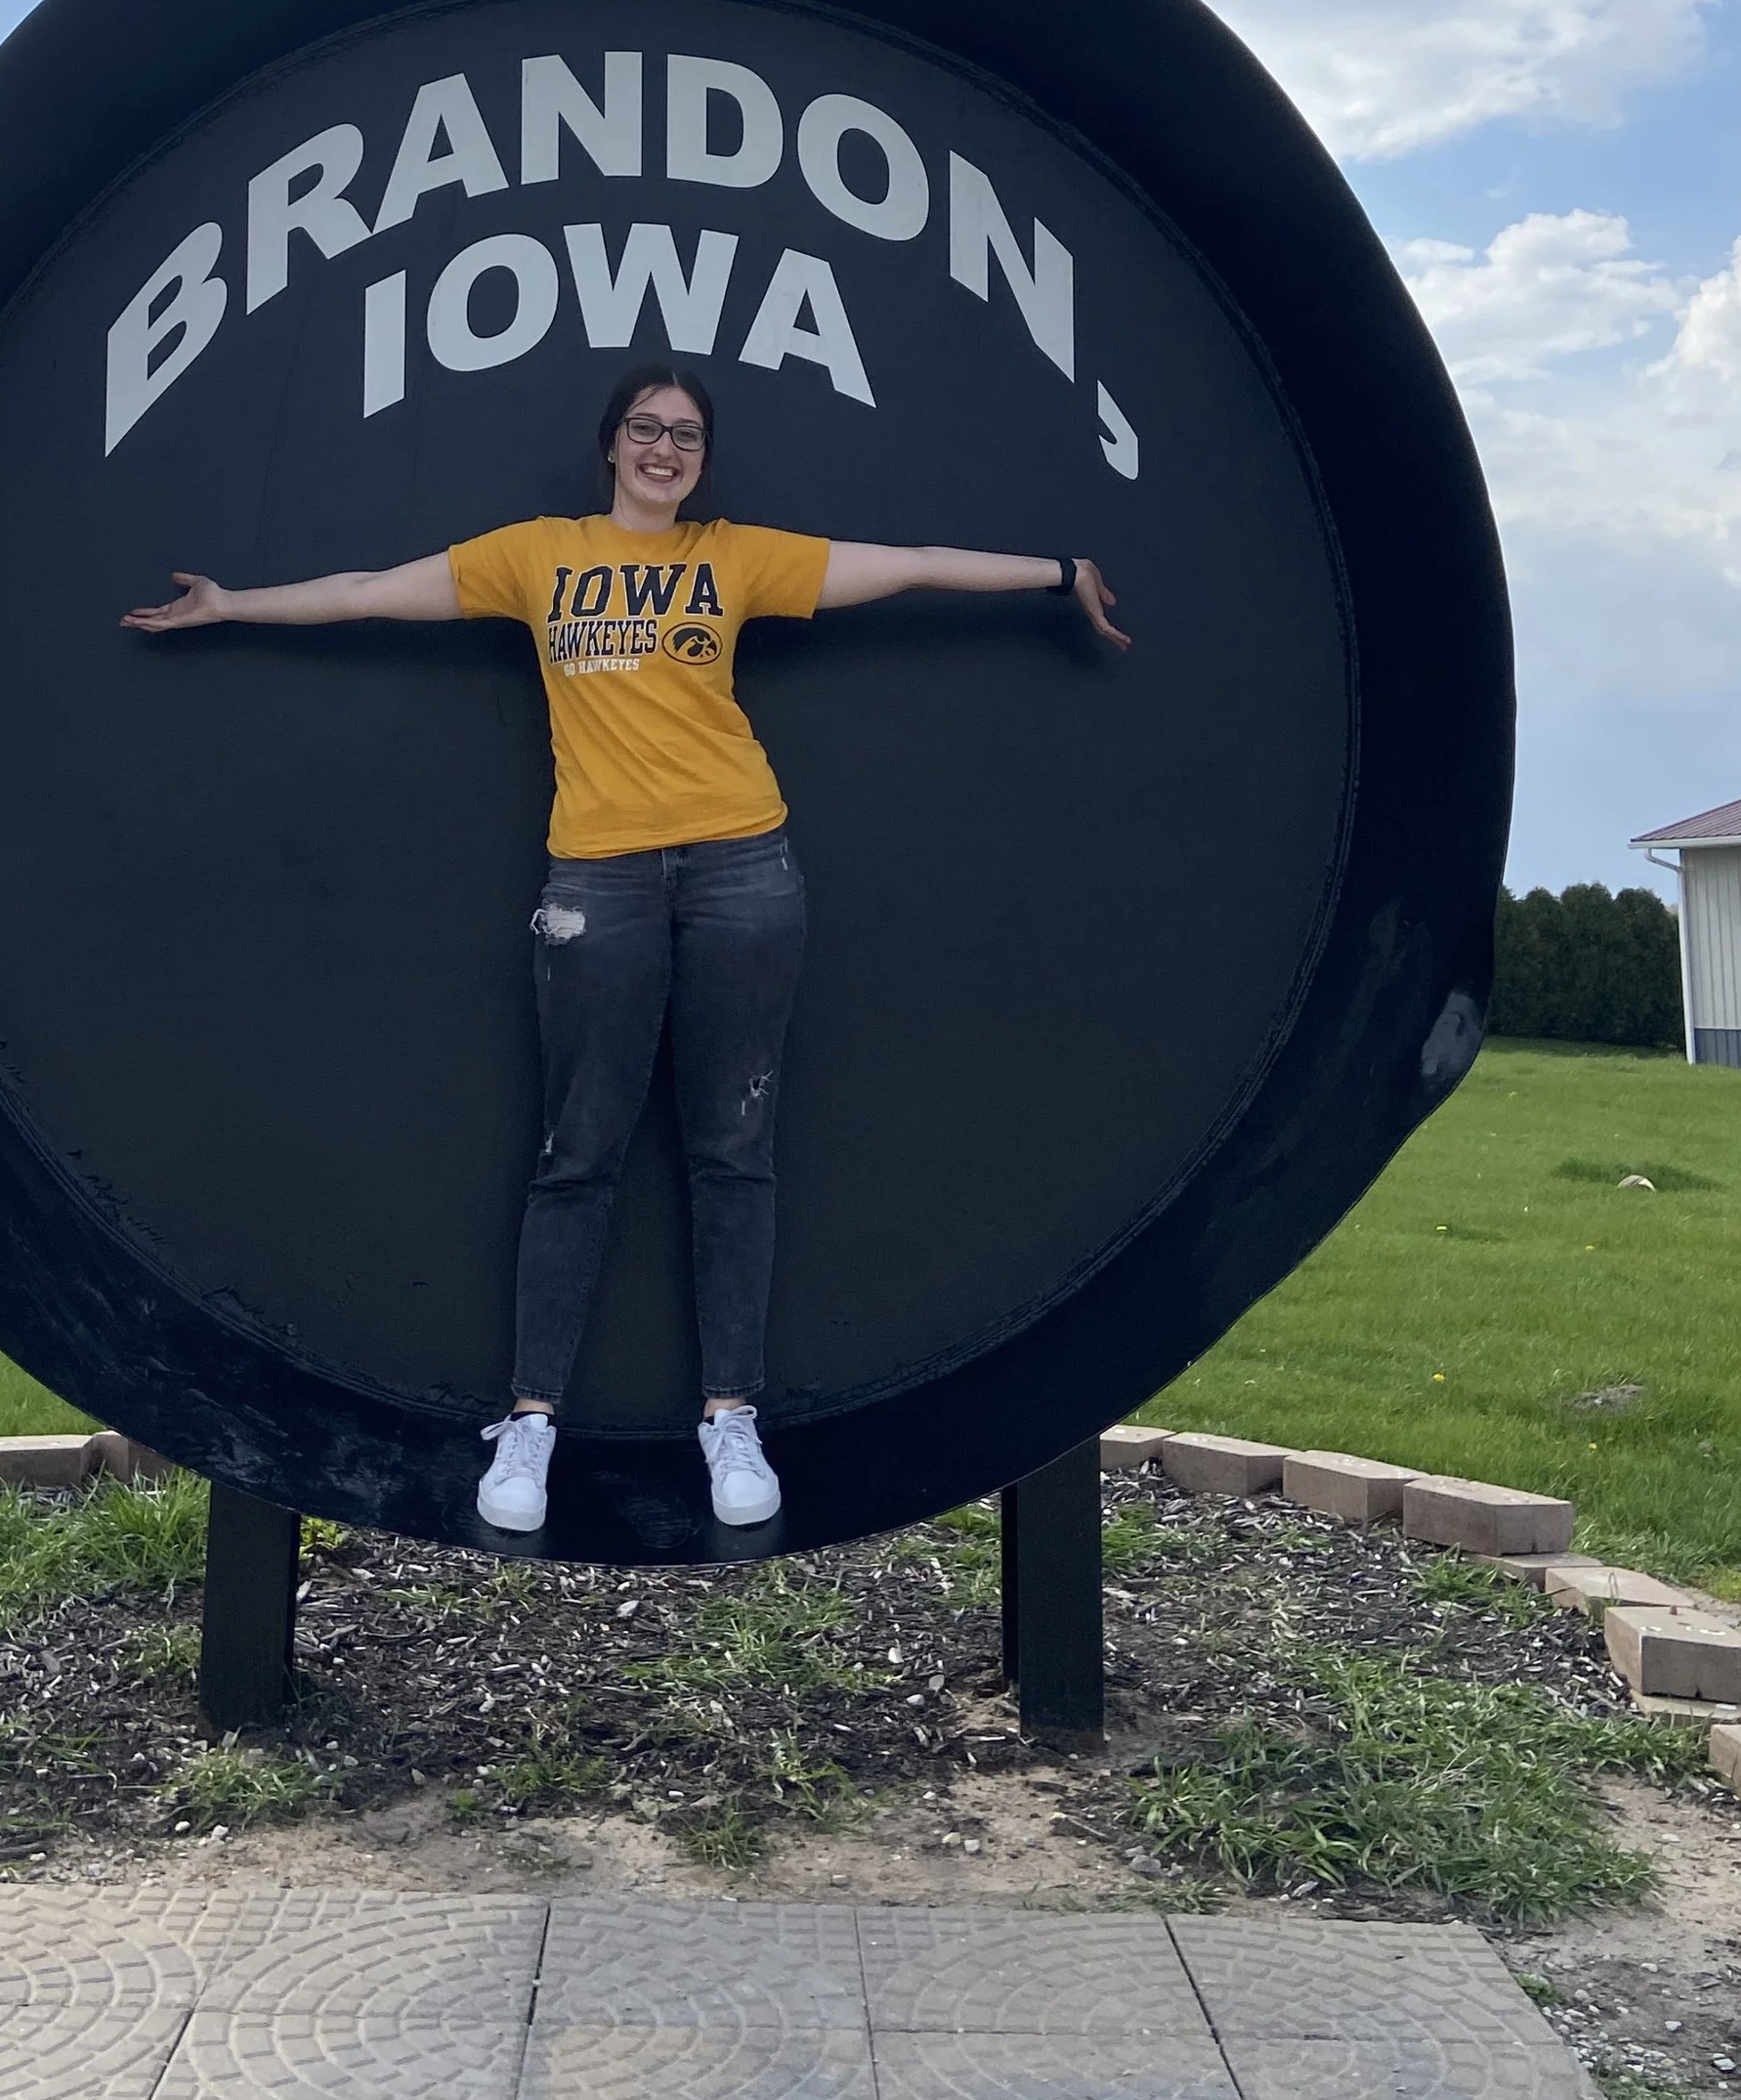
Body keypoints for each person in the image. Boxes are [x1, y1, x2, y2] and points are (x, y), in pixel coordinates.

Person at [121, 363, 1128, 1534]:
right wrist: (234, 604)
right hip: (595, 876)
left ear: (701, 457)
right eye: (646, 429)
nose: (665, 448)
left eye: (686, 435)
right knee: (576, 1151)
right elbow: (368, 592)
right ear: (611, 446)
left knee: (733, 1147)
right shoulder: (535, 554)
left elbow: (903, 564)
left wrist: (1061, 572)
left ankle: (731, 1417)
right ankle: (532, 1425)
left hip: (743, 868)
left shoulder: (736, 557)